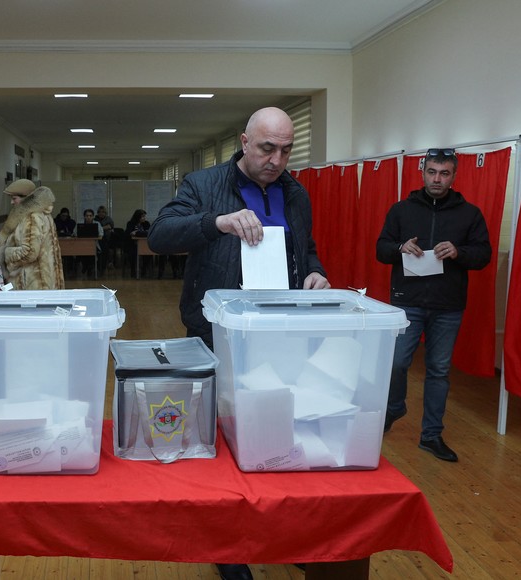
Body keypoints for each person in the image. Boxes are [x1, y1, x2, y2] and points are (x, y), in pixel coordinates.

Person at [148, 107, 328, 580]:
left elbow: (304, 248)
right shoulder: (203, 184)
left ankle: (281, 535)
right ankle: (228, 548)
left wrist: (315, 271)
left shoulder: (295, 192)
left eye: (286, 150)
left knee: (276, 435)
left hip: (279, 331)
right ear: (245, 142)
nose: (277, 159)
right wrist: (217, 223)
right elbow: (160, 235)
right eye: (267, 148)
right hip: (215, 332)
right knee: (221, 440)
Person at [376, 148, 491, 463]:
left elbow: (483, 254)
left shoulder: (470, 214)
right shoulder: (401, 210)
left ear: (454, 176)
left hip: (447, 305)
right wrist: (400, 247)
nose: (437, 179)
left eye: (444, 173)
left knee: (439, 371)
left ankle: (431, 435)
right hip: (408, 302)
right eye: (432, 172)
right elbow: (381, 248)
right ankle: (395, 407)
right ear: (422, 172)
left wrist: (458, 252)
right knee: (398, 362)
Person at [0, 179, 65, 290]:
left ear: (26, 199)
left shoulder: (32, 217)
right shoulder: (42, 214)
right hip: (43, 280)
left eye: (14, 198)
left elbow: (30, 252)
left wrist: (6, 253)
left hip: (33, 283)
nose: (12, 202)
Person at [77, 208, 104, 276]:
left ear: (93, 216)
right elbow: (75, 234)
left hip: (94, 245)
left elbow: (101, 234)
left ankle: (89, 267)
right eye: (87, 215)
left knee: (91, 251)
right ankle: (86, 267)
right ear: (84, 216)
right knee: (83, 251)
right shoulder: (80, 223)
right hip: (81, 245)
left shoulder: (97, 223)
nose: (88, 217)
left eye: (90, 215)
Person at [125, 209, 150, 277]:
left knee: (148, 253)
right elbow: (128, 233)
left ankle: (144, 270)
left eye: (144, 216)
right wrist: (137, 233)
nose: (144, 218)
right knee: (133, 253)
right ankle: (133, 270)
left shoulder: (146, 223)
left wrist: (136, 232)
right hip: (133, 244)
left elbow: (148, 232)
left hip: (144, 245)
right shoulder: (130, 223)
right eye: (142, 216)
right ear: (137, 217)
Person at [95, 205, 115, 271]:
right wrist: (104, 228)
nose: (101, 213)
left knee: (107, 247)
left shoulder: (108, 219)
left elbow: (109, 226)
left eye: (103, 212)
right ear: (97, 213)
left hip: (108, 238)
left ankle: (109, 263)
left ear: (105, 213)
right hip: (97, 239)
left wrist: (100, 228)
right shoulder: (95, 219)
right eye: (100, 212)